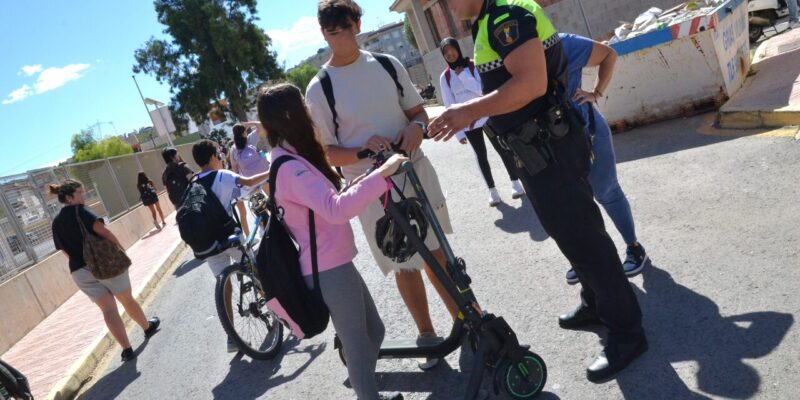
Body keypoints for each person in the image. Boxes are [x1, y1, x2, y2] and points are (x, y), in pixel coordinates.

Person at [429, 0, 646, 382]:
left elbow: (532, 84)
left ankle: (628, 332)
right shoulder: (488, 22)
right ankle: (595, 302)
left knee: (585, 239)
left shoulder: (506, 17)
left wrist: (467, 112)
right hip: (539, 149)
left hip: (552, 146)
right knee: (569, 233)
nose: (447, 5)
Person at [306, 0, 458, 370]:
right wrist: (360, 150)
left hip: (413, 170)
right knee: (403, 261)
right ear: (322, 32)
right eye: (330, 28)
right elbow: (325, 153)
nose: (337, 34)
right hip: (371, 187)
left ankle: (466, 323)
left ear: (358, 23)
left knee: (438, 252)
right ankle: (427, 335)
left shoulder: (388, 65)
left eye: (343, 25)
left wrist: (416, 129)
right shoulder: (319, 88)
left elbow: (418, 112)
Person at [259, 83, 404, 400]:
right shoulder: (289, 168)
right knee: (358, 344)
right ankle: (368, 394)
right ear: (290, 114)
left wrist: (363, 181)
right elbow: (336, 210)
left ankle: (366, 388)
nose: (310, 111)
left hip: (333, 263)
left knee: (373, 332)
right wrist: (383, 176)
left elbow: (326, 201)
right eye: (303, 105)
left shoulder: (290, 158)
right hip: (328, 269)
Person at [558, 33, 650, 285]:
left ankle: (634, 247)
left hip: (588, 132)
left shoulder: (563, 44)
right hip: (557, 143)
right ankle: (588, 259)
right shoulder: (517, 56)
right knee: (573, 203)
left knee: (607, 191)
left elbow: (609, 54)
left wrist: (596, 92)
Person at [49, 180, 160, 362]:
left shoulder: (56, 223)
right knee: (126, 300)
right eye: (80, 193)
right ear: (69, 197)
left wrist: (84, 264)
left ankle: (126, 349)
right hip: (105, 264)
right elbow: (104, 232)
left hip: (79, 271)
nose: (83, 196)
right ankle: (147, 327)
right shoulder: (81, 211)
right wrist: (120, 250)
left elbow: (65, 252)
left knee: (108, 310)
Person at [190, 139, 271, 352]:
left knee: (223, 285)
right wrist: (271, 172)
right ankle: (278, 309)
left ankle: (232, 338)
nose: (220, 157)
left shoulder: (193, 183)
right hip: (227, 237)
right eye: (217, 154)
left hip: (208, 243)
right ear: (211, 158)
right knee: (256, 270)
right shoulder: (222, 175)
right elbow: (248, 181)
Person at [439, 37, 524, 207]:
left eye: (452, 50)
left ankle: (515, 182)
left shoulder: (472, 65)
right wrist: (458, 132)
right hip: (467, 121)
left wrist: (463, 75)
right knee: (481, 155)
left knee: (502, 148)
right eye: (446, 53)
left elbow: (481, 90)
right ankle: (492, 191)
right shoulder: (445, 77)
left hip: (487, 114)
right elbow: (449, 103)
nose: (450, 54)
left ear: (458, 48)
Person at [229, 124, 270, 238]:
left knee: (257, 203)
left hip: (251, 182)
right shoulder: (250, 139)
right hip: (264, 176)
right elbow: (261, 125)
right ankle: (280, 218)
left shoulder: (233, 149)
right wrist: (249, 124)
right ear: (244, 132)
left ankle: (263, 227)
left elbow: (235, 169)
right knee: (272, 199)